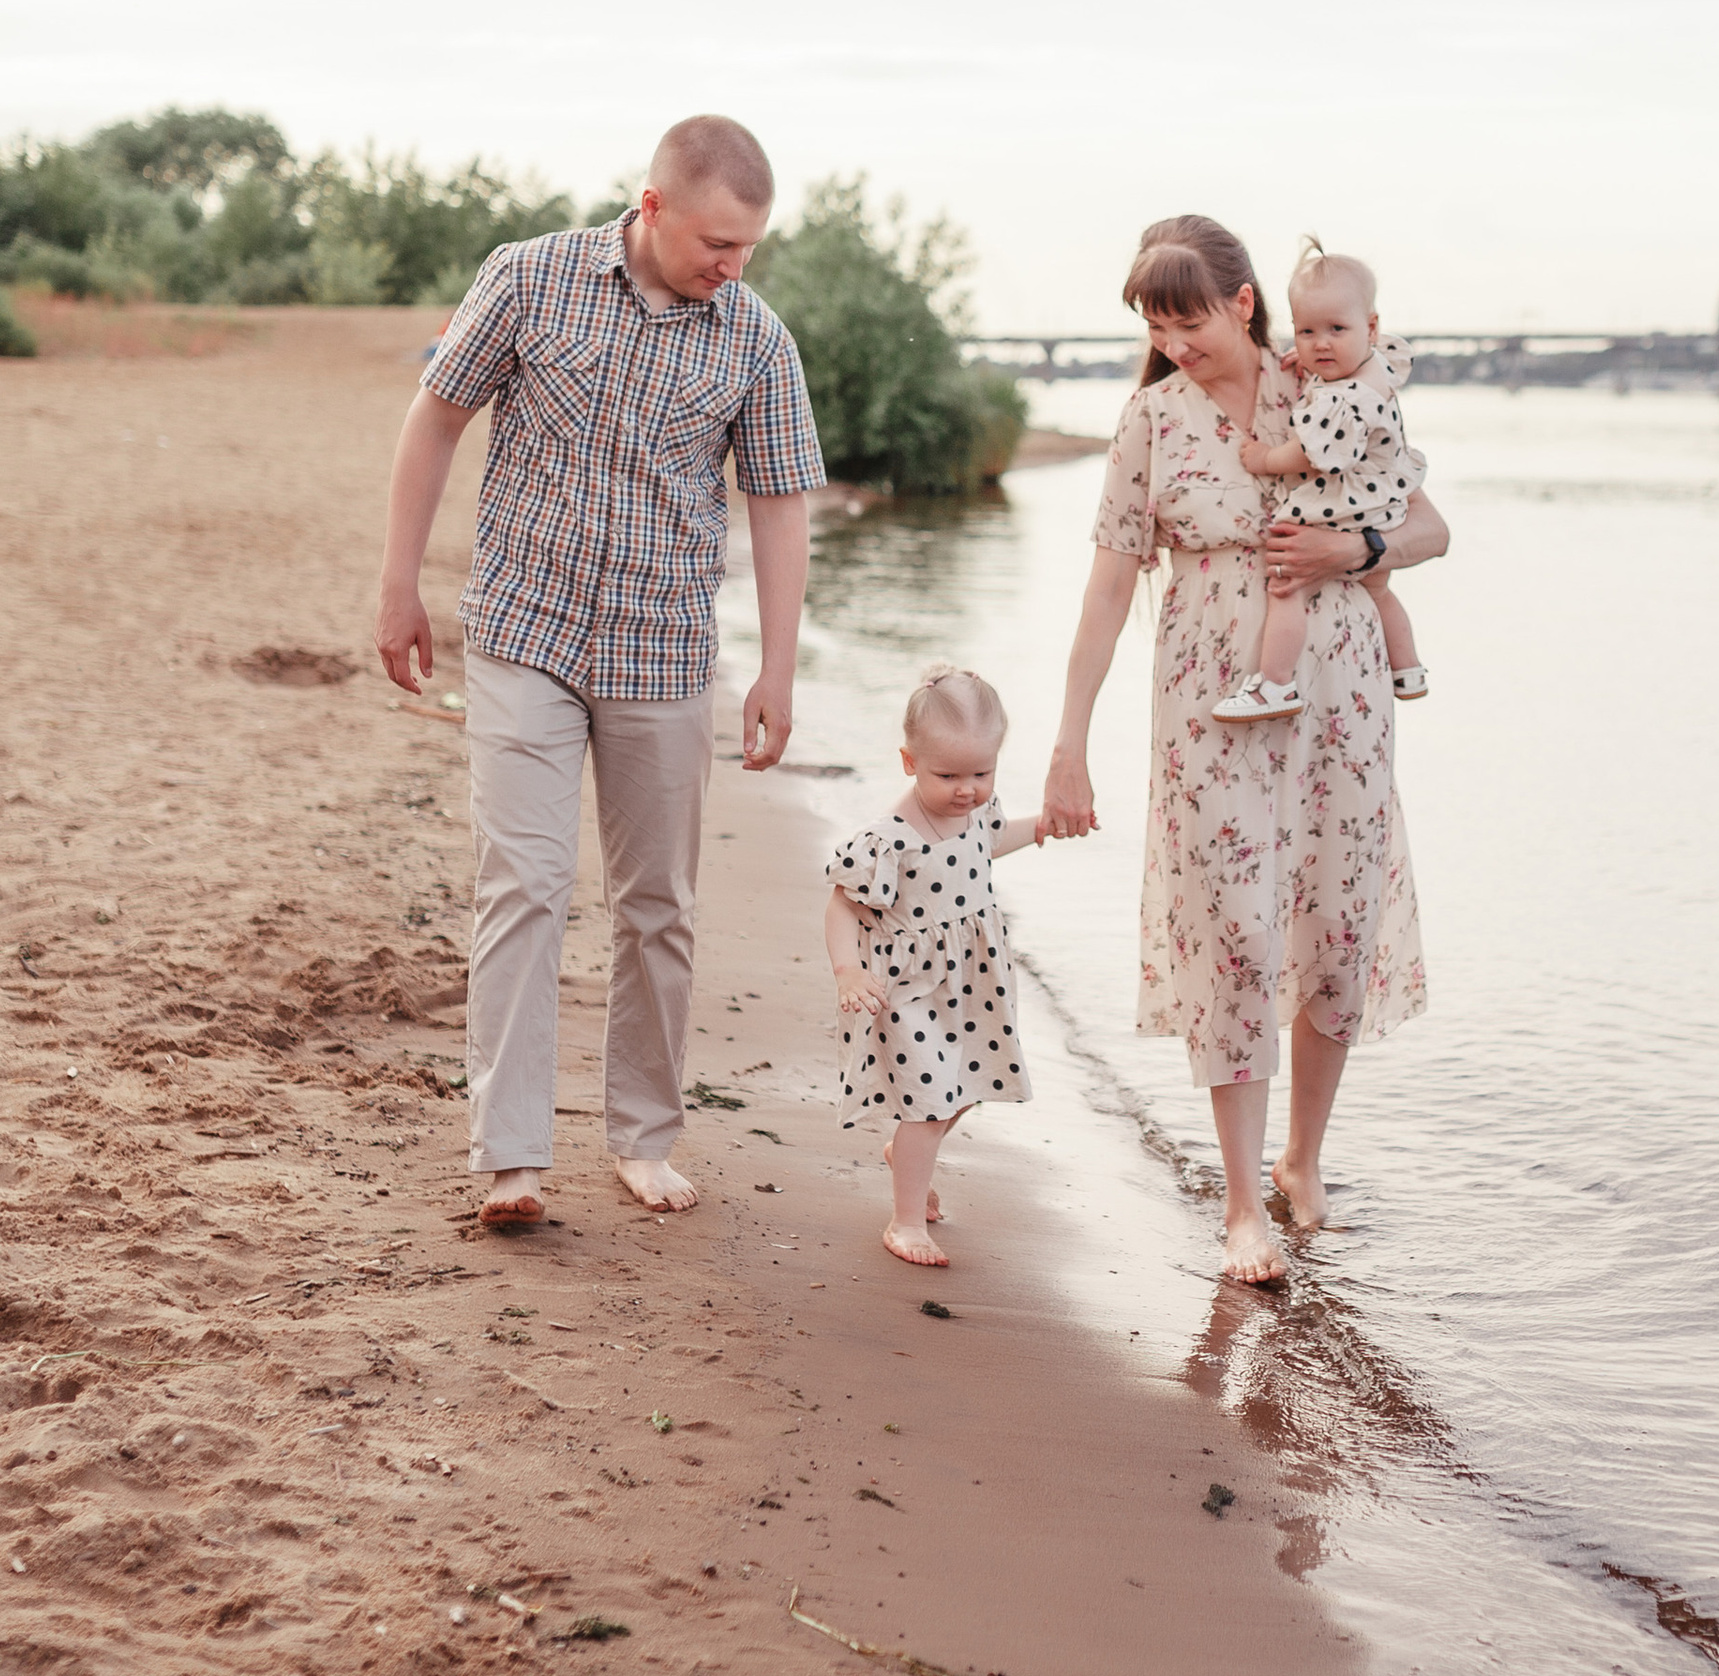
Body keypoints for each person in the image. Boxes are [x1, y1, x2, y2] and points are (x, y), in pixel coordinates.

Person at [373, 114, 827, 1229]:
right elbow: (436, 420)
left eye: (749, 247)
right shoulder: (528, 277)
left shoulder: (757, 338)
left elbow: (779, 506)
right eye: (716, 243)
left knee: (657, 906)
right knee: (523, 885)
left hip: (662, 651)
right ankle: (511, 1159)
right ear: (653, 206)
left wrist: (776, 669)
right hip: (523, 631)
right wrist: (398, 584)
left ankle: (642, 1136)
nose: (733, 266)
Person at [1042, 215, 1447, 1282]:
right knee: (1235, 933)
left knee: (1335, 929)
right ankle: (1238, 1208)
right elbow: (1107, 589)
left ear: (1243, 303)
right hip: (1210, 709)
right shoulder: (1152, 420)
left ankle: (1301, 1161)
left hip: (1341, 703)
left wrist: (1353, 546)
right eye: (1155, 328)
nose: (1174, 345)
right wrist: (1068, 742)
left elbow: (1430, 526)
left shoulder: (1323, 380)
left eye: (1190, 323)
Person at [824, 663, 1049, 1268]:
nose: (967, 789)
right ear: (909, 762)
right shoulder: (888, 840)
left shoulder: (975, 810)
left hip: (973, 983)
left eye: (982, 773)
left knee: (966, 1088)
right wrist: (848, 971)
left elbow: (990, 841)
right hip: (908, 991)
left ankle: (906, 1154)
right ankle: (905, 1221)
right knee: (927, 1103)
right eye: (947, 775)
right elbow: (842, 907)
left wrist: (1041, 827)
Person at [1214, 241, 1429, 720]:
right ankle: (1408, 669)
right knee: (1379, 590)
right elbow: (1340, 367)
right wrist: (1317, 364)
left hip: (1346, 507)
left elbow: (1314, 456)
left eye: (1336, 330)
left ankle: (1275, 685)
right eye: (1306, 332)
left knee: (1286, 585)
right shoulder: (1379, 364)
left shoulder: (1341, 400)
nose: (1320, 344)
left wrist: (1266, 458)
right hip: (1386, 502)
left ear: (1370, 327)